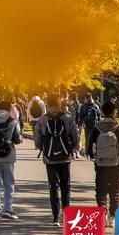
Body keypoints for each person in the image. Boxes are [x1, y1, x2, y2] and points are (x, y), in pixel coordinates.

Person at [34, 94, 80, 226]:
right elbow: (75, 136)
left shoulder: (42, 120)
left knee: (53, 186)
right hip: (65, 157)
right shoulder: (68, 118)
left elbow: (37, 139)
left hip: (50, 158)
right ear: (60, 104)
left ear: (47, 104)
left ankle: (55, 216)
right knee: (66, 186)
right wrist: (73, 148)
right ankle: (66, 215)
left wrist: (43, 147)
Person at [86, 101, 119, 226]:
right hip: (115, 165)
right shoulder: (118, 128)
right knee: (115, 192)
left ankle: (102, 210)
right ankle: (113, 216)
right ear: (114, 112)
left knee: (101, 191)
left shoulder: (97, 128)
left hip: (101, 165)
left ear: (102, 112)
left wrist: (95, 157)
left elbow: (90, 148)